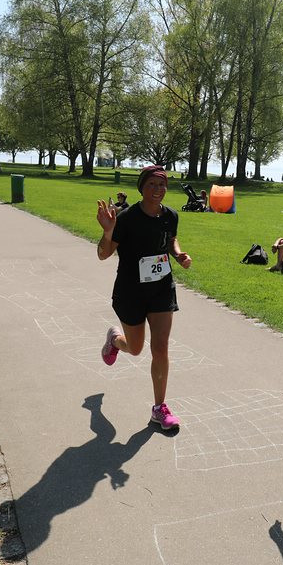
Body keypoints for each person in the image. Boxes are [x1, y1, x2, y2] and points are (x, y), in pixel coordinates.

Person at [96, 165, 192, 431]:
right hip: (130, 292)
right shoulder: (126, 218)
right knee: (136, 349)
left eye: (162, 185)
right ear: (142, 187)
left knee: (160, 348)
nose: (158, 190)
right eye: (152, 184)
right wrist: (107, 231)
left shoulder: (170, 215)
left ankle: (159, 407)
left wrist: (179, 254)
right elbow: (103, 254)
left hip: (161, 288)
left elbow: (171, 240)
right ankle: (115, 340)